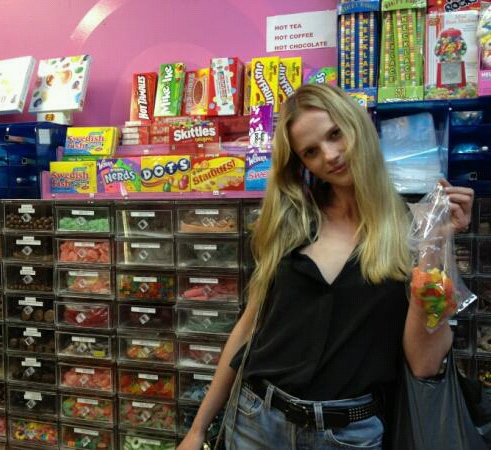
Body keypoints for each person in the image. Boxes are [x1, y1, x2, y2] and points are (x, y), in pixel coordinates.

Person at [177, 84, 474, 450]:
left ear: (357, 124)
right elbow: (250, 327)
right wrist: (198, 429)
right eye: (311, 152)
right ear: (301, 163)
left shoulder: (414, 228)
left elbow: (424, 363)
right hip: (256, 422)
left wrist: (435, 243)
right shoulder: (291, 221)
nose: (330, 156)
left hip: (348, 436)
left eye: (335, 134)